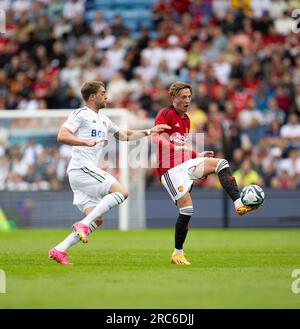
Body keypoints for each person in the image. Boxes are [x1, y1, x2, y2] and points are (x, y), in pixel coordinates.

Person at [49, 80, 170, 265]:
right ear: (92, 96)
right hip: (82, 168)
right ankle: (81, 225)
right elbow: (62, 135)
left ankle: (59, 250)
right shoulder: (80, 114)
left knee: (96, 220)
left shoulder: (104, 119)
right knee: (122, 192)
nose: (107, 96)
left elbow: (124, 135)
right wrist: (84, 142)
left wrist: (149, 131)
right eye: (103, 92)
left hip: (83, 172)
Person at [154, 81, 259, 266]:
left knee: (221, 163)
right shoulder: (165, 114)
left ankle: (238, 203)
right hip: (169, 170)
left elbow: (182, 149)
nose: (187, 100)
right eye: (183, 97)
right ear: (173, 98)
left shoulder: (186, 120)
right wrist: (173, 146)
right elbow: (155, 138)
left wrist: (197, 155)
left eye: (189, 97)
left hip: (184, 164)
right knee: (187, 209)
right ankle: (177, 253)